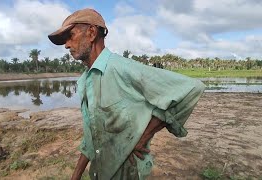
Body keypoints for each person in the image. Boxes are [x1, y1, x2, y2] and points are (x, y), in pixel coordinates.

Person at [48, 8, 205, 180]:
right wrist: (76, 176)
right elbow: (91, 138)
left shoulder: (122, 69)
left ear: (92, 33)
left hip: (128, 173)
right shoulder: (85, 81)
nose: (67, 45)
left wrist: (143, 136)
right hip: (100, 171)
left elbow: (191, 88)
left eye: (71, 35)